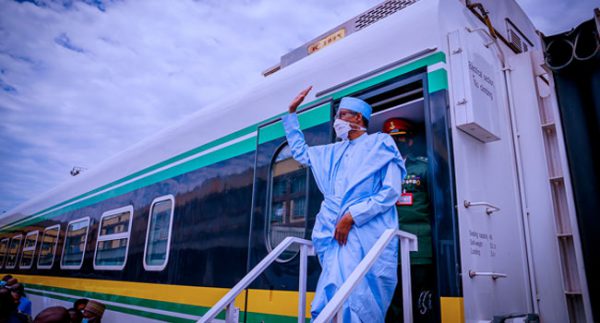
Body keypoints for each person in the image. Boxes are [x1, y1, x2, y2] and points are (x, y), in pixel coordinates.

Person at [282, 87, 406, 321]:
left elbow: (390, 191)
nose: (337, 121)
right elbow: (300, 153)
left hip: (364, 231)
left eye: (342, 115)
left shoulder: (381, 144)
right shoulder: (334, 151)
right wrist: (291, 114)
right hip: (330, 230)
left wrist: (352, 216)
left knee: (359, 292)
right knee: (332, 290)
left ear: (358, 117)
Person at [383, 118, 435, 323]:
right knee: (392, 305)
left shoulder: (424, 167)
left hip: (418, 248)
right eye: (390, 140)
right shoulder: (379, 171)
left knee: (419, 303)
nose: (395, 143)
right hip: (387, 249)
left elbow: (438, 205)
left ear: (410, 141)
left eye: (399, 138)